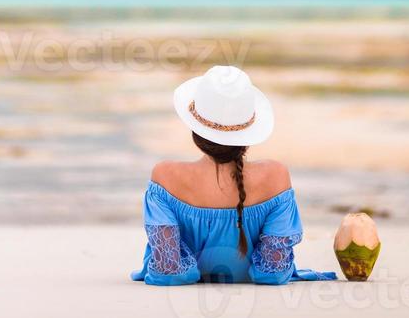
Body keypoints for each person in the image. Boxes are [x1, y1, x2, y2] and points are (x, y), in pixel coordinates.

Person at [131, 65, 337, 285]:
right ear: (248, 132)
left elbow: (168, 270)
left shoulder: (166, 176)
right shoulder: (275, 176)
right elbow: (274, 272)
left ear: (196, 131)